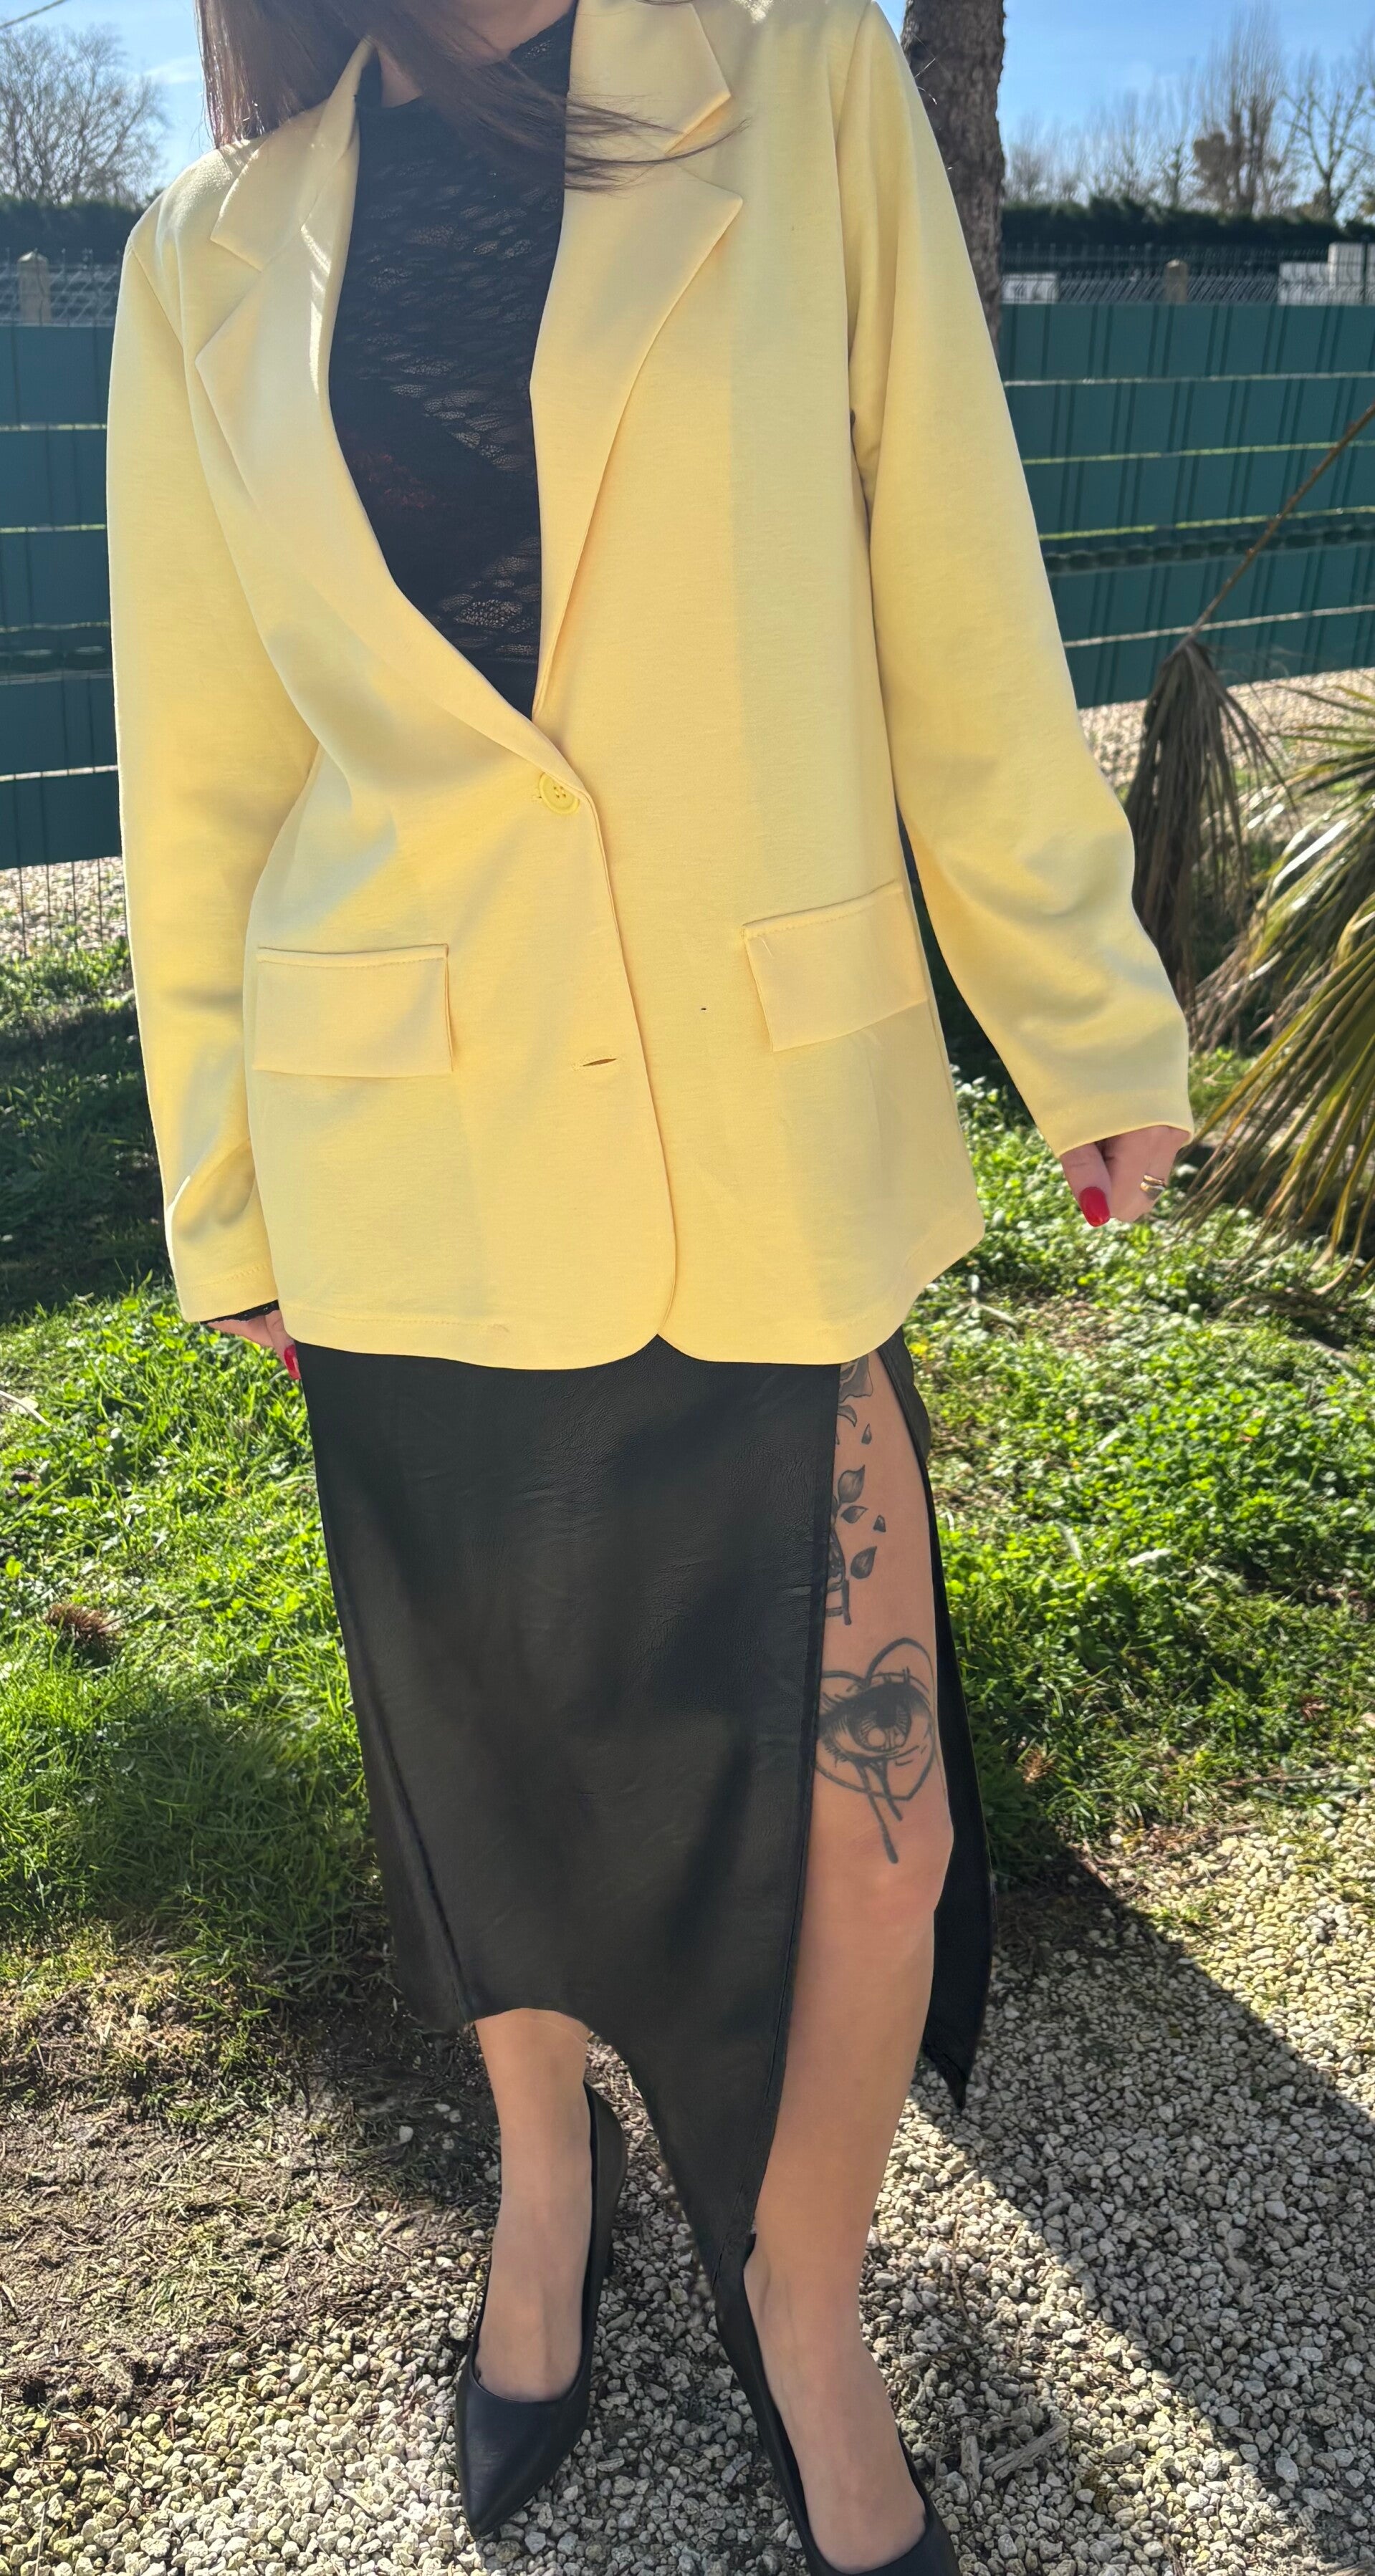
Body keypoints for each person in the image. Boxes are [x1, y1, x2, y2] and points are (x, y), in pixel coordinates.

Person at [105, 0, 1192, 2562]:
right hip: (409, 1156)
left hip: (757, 1137)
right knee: (499, 1774)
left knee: (877, 1831)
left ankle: (802, 2287)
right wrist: (223, 1186)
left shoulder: (801, 83)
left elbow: (950, 574)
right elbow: (210, 775)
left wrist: (1074, 1001)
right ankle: (544, 2187)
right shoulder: (204, 257)